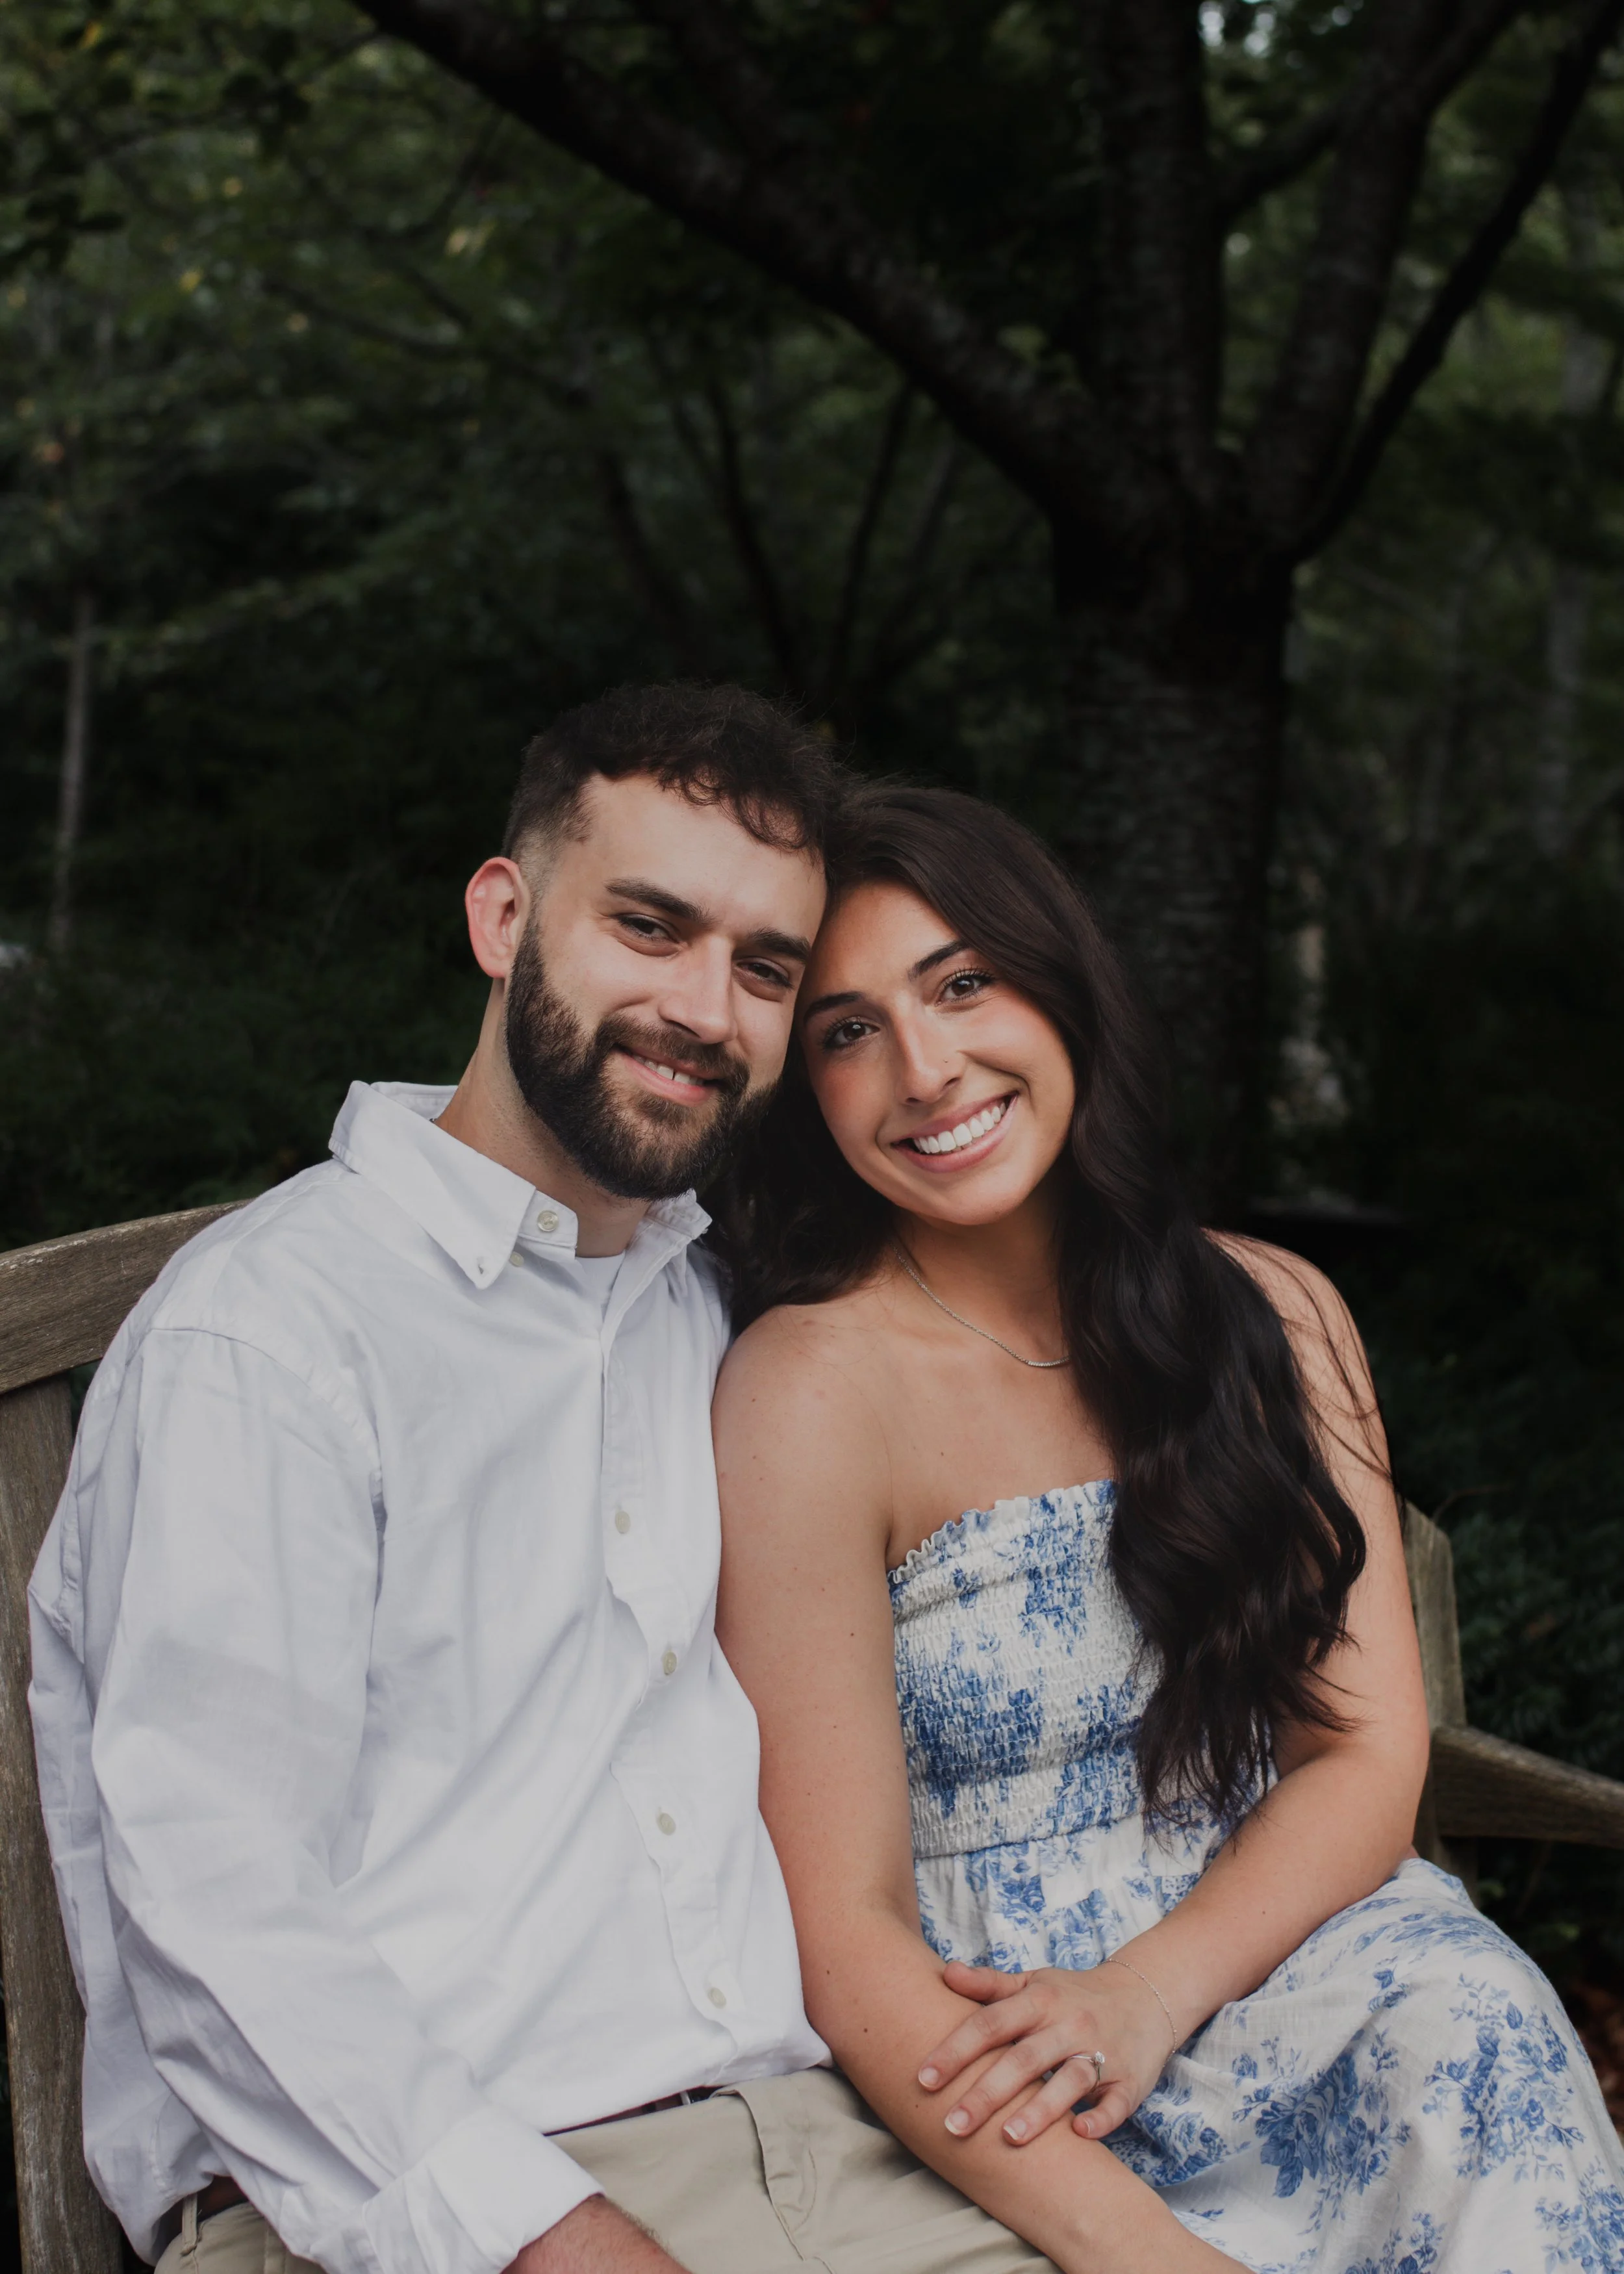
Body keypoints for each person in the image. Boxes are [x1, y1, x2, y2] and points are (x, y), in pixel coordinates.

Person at [31, 688, 1078, 2274]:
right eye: (649, 927)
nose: (704, 1008)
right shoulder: (272, 1337)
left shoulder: (713, 1319)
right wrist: (547, 2237)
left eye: (763, 970)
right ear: (502, 917)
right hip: (392, 2213)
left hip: (821, 2161)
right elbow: (216, 1899)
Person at [712, 783, 1624, 2274]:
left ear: (1062, 990)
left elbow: (1363, 1752)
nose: (924, 1069)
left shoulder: (1266, 1314)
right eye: (846, 1029)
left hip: (1295, 1968)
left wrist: (1146, 1990)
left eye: (961, 984)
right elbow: (843, 1931)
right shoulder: (810, 1389)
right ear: (802, 1088)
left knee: (1479, 2020)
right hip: (990, 2068)